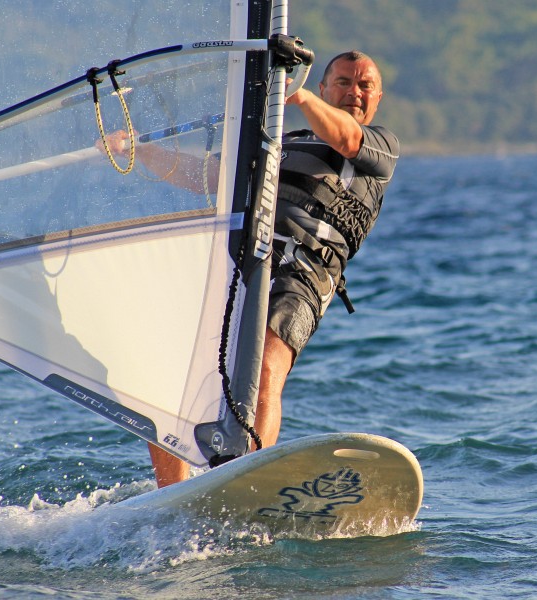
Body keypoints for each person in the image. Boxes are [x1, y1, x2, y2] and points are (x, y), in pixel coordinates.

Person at [100, 51, 399, 488]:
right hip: (241, 263)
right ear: (325, 87)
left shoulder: (381, 146)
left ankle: (246, 483)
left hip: (303, 271)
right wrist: (138, 150)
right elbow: (207, 174)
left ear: (378, 97)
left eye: (364, 85)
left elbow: (347, 139)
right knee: (164, 369)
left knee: (265, 372)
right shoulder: (279, 142)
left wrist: (298, 97)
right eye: (343, 82)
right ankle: (175, 496)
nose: (354, 92)